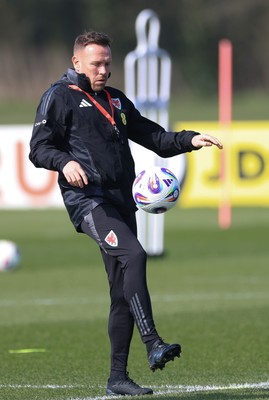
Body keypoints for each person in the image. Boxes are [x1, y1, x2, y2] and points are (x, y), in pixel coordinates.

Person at [29, 30, 223, 396]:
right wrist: (65, 161)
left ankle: (117, 378)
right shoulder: (59, 97)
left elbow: (156, 139)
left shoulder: (116, 101)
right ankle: (153, 343)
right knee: (134, 253)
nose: (103, 70)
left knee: (122, 293)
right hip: (88, 202)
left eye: (107, 63)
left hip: (120, 202)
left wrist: (191, 139)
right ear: (77, 63)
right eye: (95, 63)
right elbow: (39, 149)